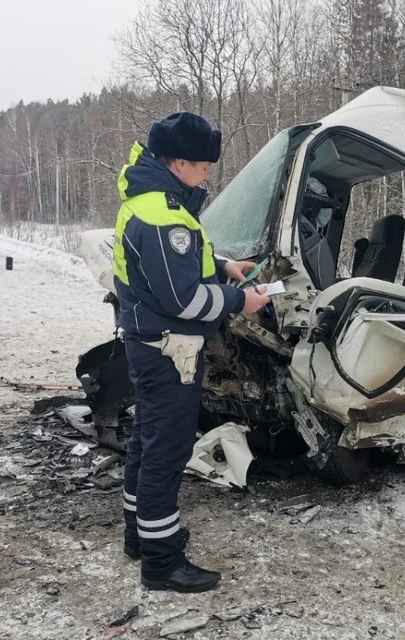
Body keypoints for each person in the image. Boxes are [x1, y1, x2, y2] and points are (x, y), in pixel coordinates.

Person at [112, 112, 270, 593]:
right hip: (169, 349)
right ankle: (162, 563)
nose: (207, 175)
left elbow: (175, 269)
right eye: (203, 167)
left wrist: (223, 266)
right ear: (179, 163)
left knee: (147, 438)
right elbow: (185, 300)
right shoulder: (163, 217)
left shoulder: (153, 203)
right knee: (167, 450)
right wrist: (242, 300)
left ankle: (140, 535)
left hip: (150, 343)